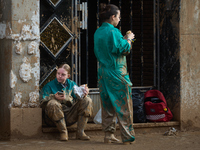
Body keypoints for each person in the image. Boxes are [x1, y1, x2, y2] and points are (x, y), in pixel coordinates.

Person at [94, 4, 135, 144]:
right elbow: (123, 49)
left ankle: (108, 135)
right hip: (117, 72)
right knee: (123, 105)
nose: (119, 19)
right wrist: (129, 38)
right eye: (118, 16)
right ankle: (127, 136)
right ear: (113, 17)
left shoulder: (98, 32)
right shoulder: (114, 32)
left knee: (107, 105)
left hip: (103, 72)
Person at [40, 64, 92, 141]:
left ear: (68, 76)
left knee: (87, 100)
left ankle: (80, 132)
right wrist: (54, 97)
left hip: (69, 115)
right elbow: (41, 102)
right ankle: (63, 132)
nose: (59, 76)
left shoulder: (72, 84)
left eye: (63, 74)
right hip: (53, 119)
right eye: (58, 73)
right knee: (53, 103)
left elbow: (80, 98)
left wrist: (84, 92)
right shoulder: (49, 86)